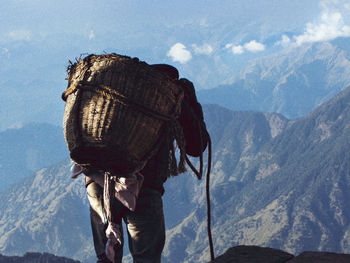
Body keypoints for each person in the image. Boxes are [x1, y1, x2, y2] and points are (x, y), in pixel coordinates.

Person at [83, 64, 209, 263]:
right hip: (142, 185)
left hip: (98, 183)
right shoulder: (172, 97)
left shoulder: (117, 95)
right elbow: (198, 145)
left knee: (107, 256)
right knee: (146, 257)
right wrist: (189, 102)